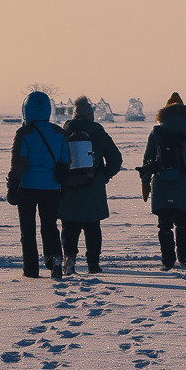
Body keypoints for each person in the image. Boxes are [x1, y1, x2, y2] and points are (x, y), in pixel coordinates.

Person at [58, 97, 123, 275]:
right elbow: (116, 160)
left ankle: (69, 260)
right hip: (93, 189)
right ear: (91, 115)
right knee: (93, 228)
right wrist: (104, 176)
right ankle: (93, 264)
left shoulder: (63, 133)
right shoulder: (99, 133)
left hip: (69, 190)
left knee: (69, 227)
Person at [141, 94, 186, 269]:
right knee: (183, 222)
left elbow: (148, 159)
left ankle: (167, 261)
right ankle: (184, 259)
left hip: (162, 184)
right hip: (185, 183)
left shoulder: (157, 132)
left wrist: (145, 183)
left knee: (164, 225)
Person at [9, 91, 68, 278]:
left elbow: (19, 163)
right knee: (50, 227)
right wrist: (63, 186)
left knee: (28, 231)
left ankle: (31, 270)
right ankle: (55, 259)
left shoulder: (24, 133)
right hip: (51, 188)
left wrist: (12, 187)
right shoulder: (59, 132)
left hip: (27, 188)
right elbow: (65, 162)